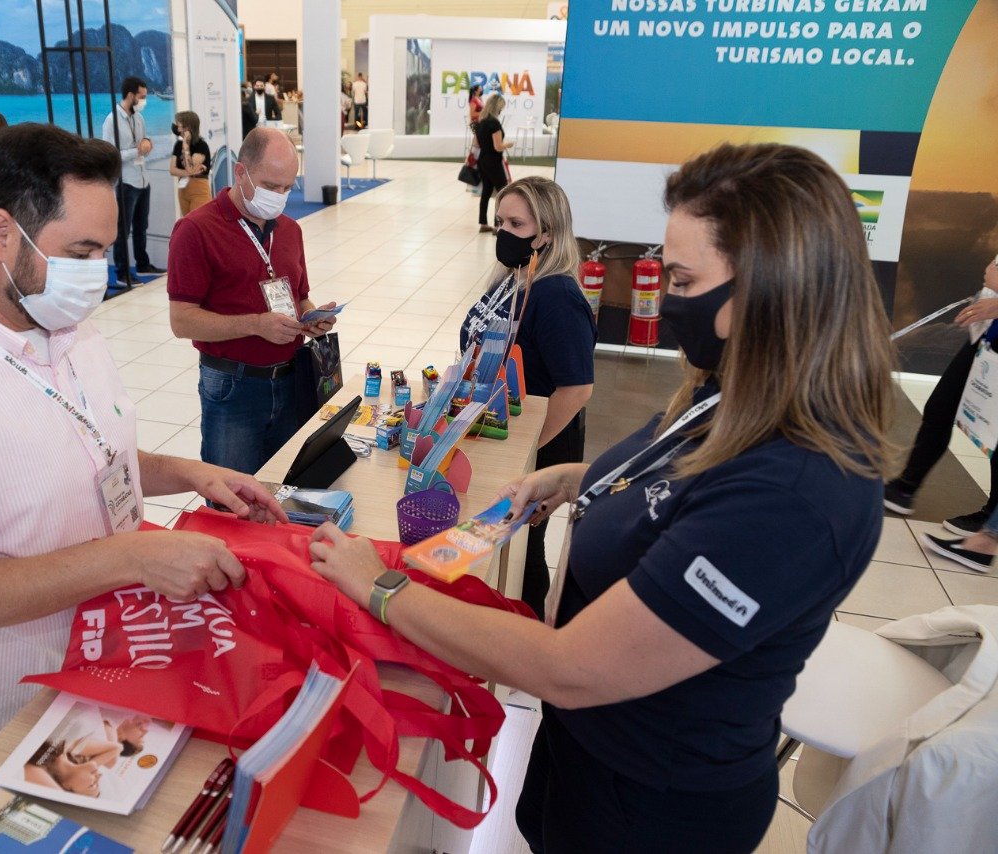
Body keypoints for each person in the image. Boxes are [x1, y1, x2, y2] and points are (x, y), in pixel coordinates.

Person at [308, 142, 895, 853]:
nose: (664, 297)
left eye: (682, 278)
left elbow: (574, 666)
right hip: (586, 750)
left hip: (651, 800)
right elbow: (669, 474)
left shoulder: (796, 495)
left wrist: (384, 591)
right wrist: (573, 479)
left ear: (768, 290)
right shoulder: (732, 390)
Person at [0, 123, 287, 781]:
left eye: (103, 251)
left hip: (114, 656)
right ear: (0, 234)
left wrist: (190, 472)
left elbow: (91, 449)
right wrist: (134, 555)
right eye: (81, 251)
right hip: (8, 706)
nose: (96, 276)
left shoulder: (61, 321)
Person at [458, 177, 595, 620]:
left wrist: (526, 451)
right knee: (502, 547)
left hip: (540, 446)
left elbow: (576, 388)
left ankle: (529, 648)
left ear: (548, 233)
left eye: (516, 223)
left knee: (523, 552)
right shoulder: (513, 278)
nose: (503, 233)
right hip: (501, 431)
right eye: (500, 222)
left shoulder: (556, 296)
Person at [167, 128, 337, 475]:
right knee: (234, 497)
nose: (280, 196)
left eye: (289, 187)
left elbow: (300, 296)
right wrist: (256, 325)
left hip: (292, 380)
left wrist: (312, 318)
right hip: (233, 387)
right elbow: (181, 320)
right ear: (240, 172)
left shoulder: (291, 230)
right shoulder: (196, 230)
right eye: (272, 186)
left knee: (285, 488)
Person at [884, 251, 998, 535]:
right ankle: (904, 488)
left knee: (995, 431)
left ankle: (991, 522)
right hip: (984, 336)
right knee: (940, 407)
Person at [101, 76, 162, 285]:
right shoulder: (112, 120)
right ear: (130, 95)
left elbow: (144, 140)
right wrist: (136, 150)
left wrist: (147, 143)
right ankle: (121, 272)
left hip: (143, 178)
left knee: (141, 225)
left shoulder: (138, 118)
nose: (144, 101)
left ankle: (143, 264)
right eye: (142, 97)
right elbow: (110, 154)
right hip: (126, 181)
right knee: (122, 229)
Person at [475, 93, 514, 233]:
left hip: (482, 161)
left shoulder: (481, 122)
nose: (501, 111)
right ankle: (498, 226)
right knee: (502, 192)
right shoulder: (494, 123)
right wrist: (507, 144)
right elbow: (498, 146)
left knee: (486, 192)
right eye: (501, 108)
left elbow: (476, 143)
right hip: (493, 162)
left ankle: (483, 223)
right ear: (497, 107)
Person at [169, 111, 211, 216]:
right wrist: (190, 173)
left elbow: (190, 168)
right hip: (183, 189)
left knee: (199, 223)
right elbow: (172, 170)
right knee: (187, 224)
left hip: (199, 190)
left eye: (180, 126)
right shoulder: (178, 145)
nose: (178, 129)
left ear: (188, 127)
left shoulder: (201, 145)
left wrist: (186, 145)